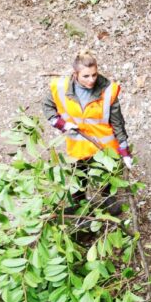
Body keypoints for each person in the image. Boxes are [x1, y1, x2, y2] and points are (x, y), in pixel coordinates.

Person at [43, 49, 132, 213]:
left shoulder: (108, 91)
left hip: (101, 146)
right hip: (77, 145)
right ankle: (79, 208)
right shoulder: (61, 87)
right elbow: (48, 107)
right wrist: (62, 124)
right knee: (78, 177)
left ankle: (108, 201)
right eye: (86, 76)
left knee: (104, 176)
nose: (91, 80)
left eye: (94, 75)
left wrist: (124, 150)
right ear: (75, 74)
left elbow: (118, 122)